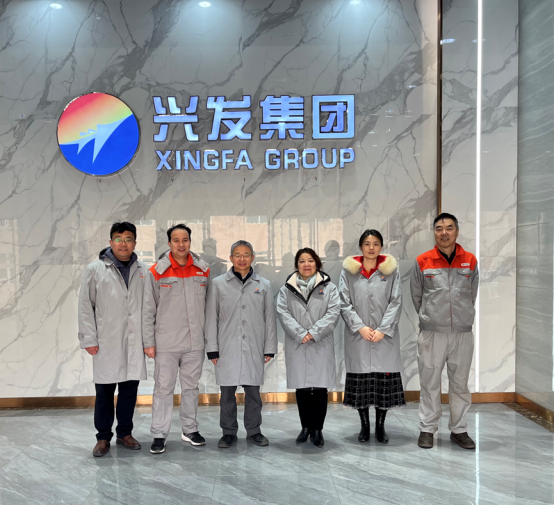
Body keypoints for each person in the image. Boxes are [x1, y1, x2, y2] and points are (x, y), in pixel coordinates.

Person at [78, 222, 152, 457]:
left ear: (135, 243)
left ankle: (124, 433)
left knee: (129, 390)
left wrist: (149, 341)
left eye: (128, 239)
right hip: (106, 340)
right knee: (104, 393)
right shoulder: (95, 269)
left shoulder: (143, 270)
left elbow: (149, 308)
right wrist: (89, 338)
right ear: (111, 242)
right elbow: (85, 306)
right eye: (118, 239)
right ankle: (102, 437)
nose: (123, 243)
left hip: (134, 340)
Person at [410, 213, 479, 450]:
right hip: (432, 333)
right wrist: (430, 317)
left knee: (460, 384)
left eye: (449, 228)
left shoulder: (470, 260)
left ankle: (459, 430)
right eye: (439, 228)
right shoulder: (423, 261)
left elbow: (472, 294)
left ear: (457, 232)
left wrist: (461, 316)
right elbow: (417, 296)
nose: (444, 232)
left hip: (462, 333)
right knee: (429, 382)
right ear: (434, 233)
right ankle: (427, 428)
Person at [142, 223, 210, 454]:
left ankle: (190, 429)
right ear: (169, 243)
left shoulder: (203, 270)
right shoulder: (156, 272)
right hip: (166, 343)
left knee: (191, 387)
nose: (181, 244)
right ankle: (159, 434)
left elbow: (209, 308)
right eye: (176, 240)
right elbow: (148, 310)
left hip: (194, 342)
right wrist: (149, 343)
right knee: (163, 388)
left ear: (190, 241)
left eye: (185, 240)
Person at [205, 240, 277, 448]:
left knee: (253, 394)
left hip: (254, 346)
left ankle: (254, 431)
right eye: (237, 255)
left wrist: (269, 348)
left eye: (246, 254)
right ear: (231, 258)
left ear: (253, 257)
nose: (242, 259)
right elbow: (211, 318)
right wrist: (212, 349)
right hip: (227, 347)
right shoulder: (218, 284)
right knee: (227, 395)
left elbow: (269, 318)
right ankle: (228, 432)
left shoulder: (263, 285)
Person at [340, 229, 404, 445]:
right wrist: (359, 327)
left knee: (382, 384)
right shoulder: (349, 272)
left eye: (376, 243)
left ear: (381, 247)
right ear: (360, 247)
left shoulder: (391, 271)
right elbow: (344, 302)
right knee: (361, 384)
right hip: (359, 337)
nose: (371, 248)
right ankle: (365, 425)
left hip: (384, 337)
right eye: (367, 244)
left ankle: (380, 426)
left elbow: (396, 301)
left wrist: (383, 329)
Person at [277, 248, 340, 448]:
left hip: (320, 342)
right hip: (298, 343)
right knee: (302, 388)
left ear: (317, 263)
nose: (306, 264)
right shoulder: (286, 289)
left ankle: (318, 429)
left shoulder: (329, 288)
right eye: (302, 261)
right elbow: (283, 313)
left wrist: (313, 332)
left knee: (320, 388)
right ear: (297, 265)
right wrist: (300, 333)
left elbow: (333, 313)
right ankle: (305, 427)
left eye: (310, 260)